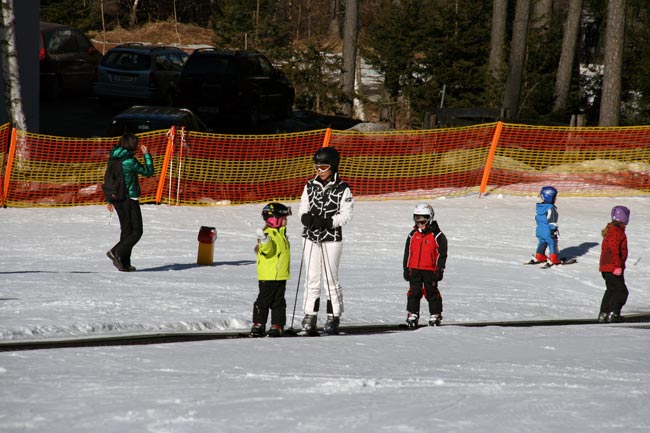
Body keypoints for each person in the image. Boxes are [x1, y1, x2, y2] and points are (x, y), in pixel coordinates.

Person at [299, 147, 353, 335]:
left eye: (323, 167)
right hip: (311, 237)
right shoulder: (309, 185)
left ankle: (333, 315)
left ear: (333, 167)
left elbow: (346, 215)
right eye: (317, 167)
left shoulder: (343, 188)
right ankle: (309, 314)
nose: (319, 171)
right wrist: (305, 218)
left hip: (331, 239)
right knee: (311, 277)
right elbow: (303, 207)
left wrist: (329, 222)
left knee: (330, 279)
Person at [106, 133, 155, 272]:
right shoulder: (129, 161)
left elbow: (109, 179)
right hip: (130, 198)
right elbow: (148, 172)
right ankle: (116, 251)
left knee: (126, 231)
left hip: (117, 199)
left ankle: (124, 263)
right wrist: (146, 155)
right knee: (137, 231)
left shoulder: (113, 158)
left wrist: (109, 199)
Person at [250, 202, 292, 337]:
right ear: (274, 219)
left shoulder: (281, 234)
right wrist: (264, 240)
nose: (286, 220)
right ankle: (258, 324)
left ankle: (277, 325)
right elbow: (268, 250)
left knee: (279, 303)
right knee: (263, 301)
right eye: (284, 218)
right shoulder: (268, 234)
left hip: (280, 276)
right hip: (268, 276)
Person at [403, 203, 448, 327]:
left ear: (430, 218)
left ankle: (435, 314)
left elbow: (442, 253)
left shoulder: (437, 235)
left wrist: (439, 268)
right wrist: (406, 268)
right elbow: (408, 252)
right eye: (417, 218)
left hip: (430, 269)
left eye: (423, 218)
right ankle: (412, 314)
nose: (420, 221)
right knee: (414, 292)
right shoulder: (412, 235)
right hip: (415, 268)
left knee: (431, 291)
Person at [598, 205, 630, 323]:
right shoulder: (616, 232)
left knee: (611, 290)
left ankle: (604, 313)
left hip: (607, 267)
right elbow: (613, 250)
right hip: (612, 267)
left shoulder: (613, 230)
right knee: (621, 291)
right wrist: (617, 265)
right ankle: (613, 313)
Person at [531, 186, 561, 265]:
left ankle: (539, 255)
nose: (556, 199)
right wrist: (553, 231)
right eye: (555, 197)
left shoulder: (540, 207)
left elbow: (536, 217)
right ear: (550, 197)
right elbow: (552, 220)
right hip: (548, 229)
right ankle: (553, 258)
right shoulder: (551, 208)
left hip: (539, 229)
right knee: (552, 242)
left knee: (542, 241)